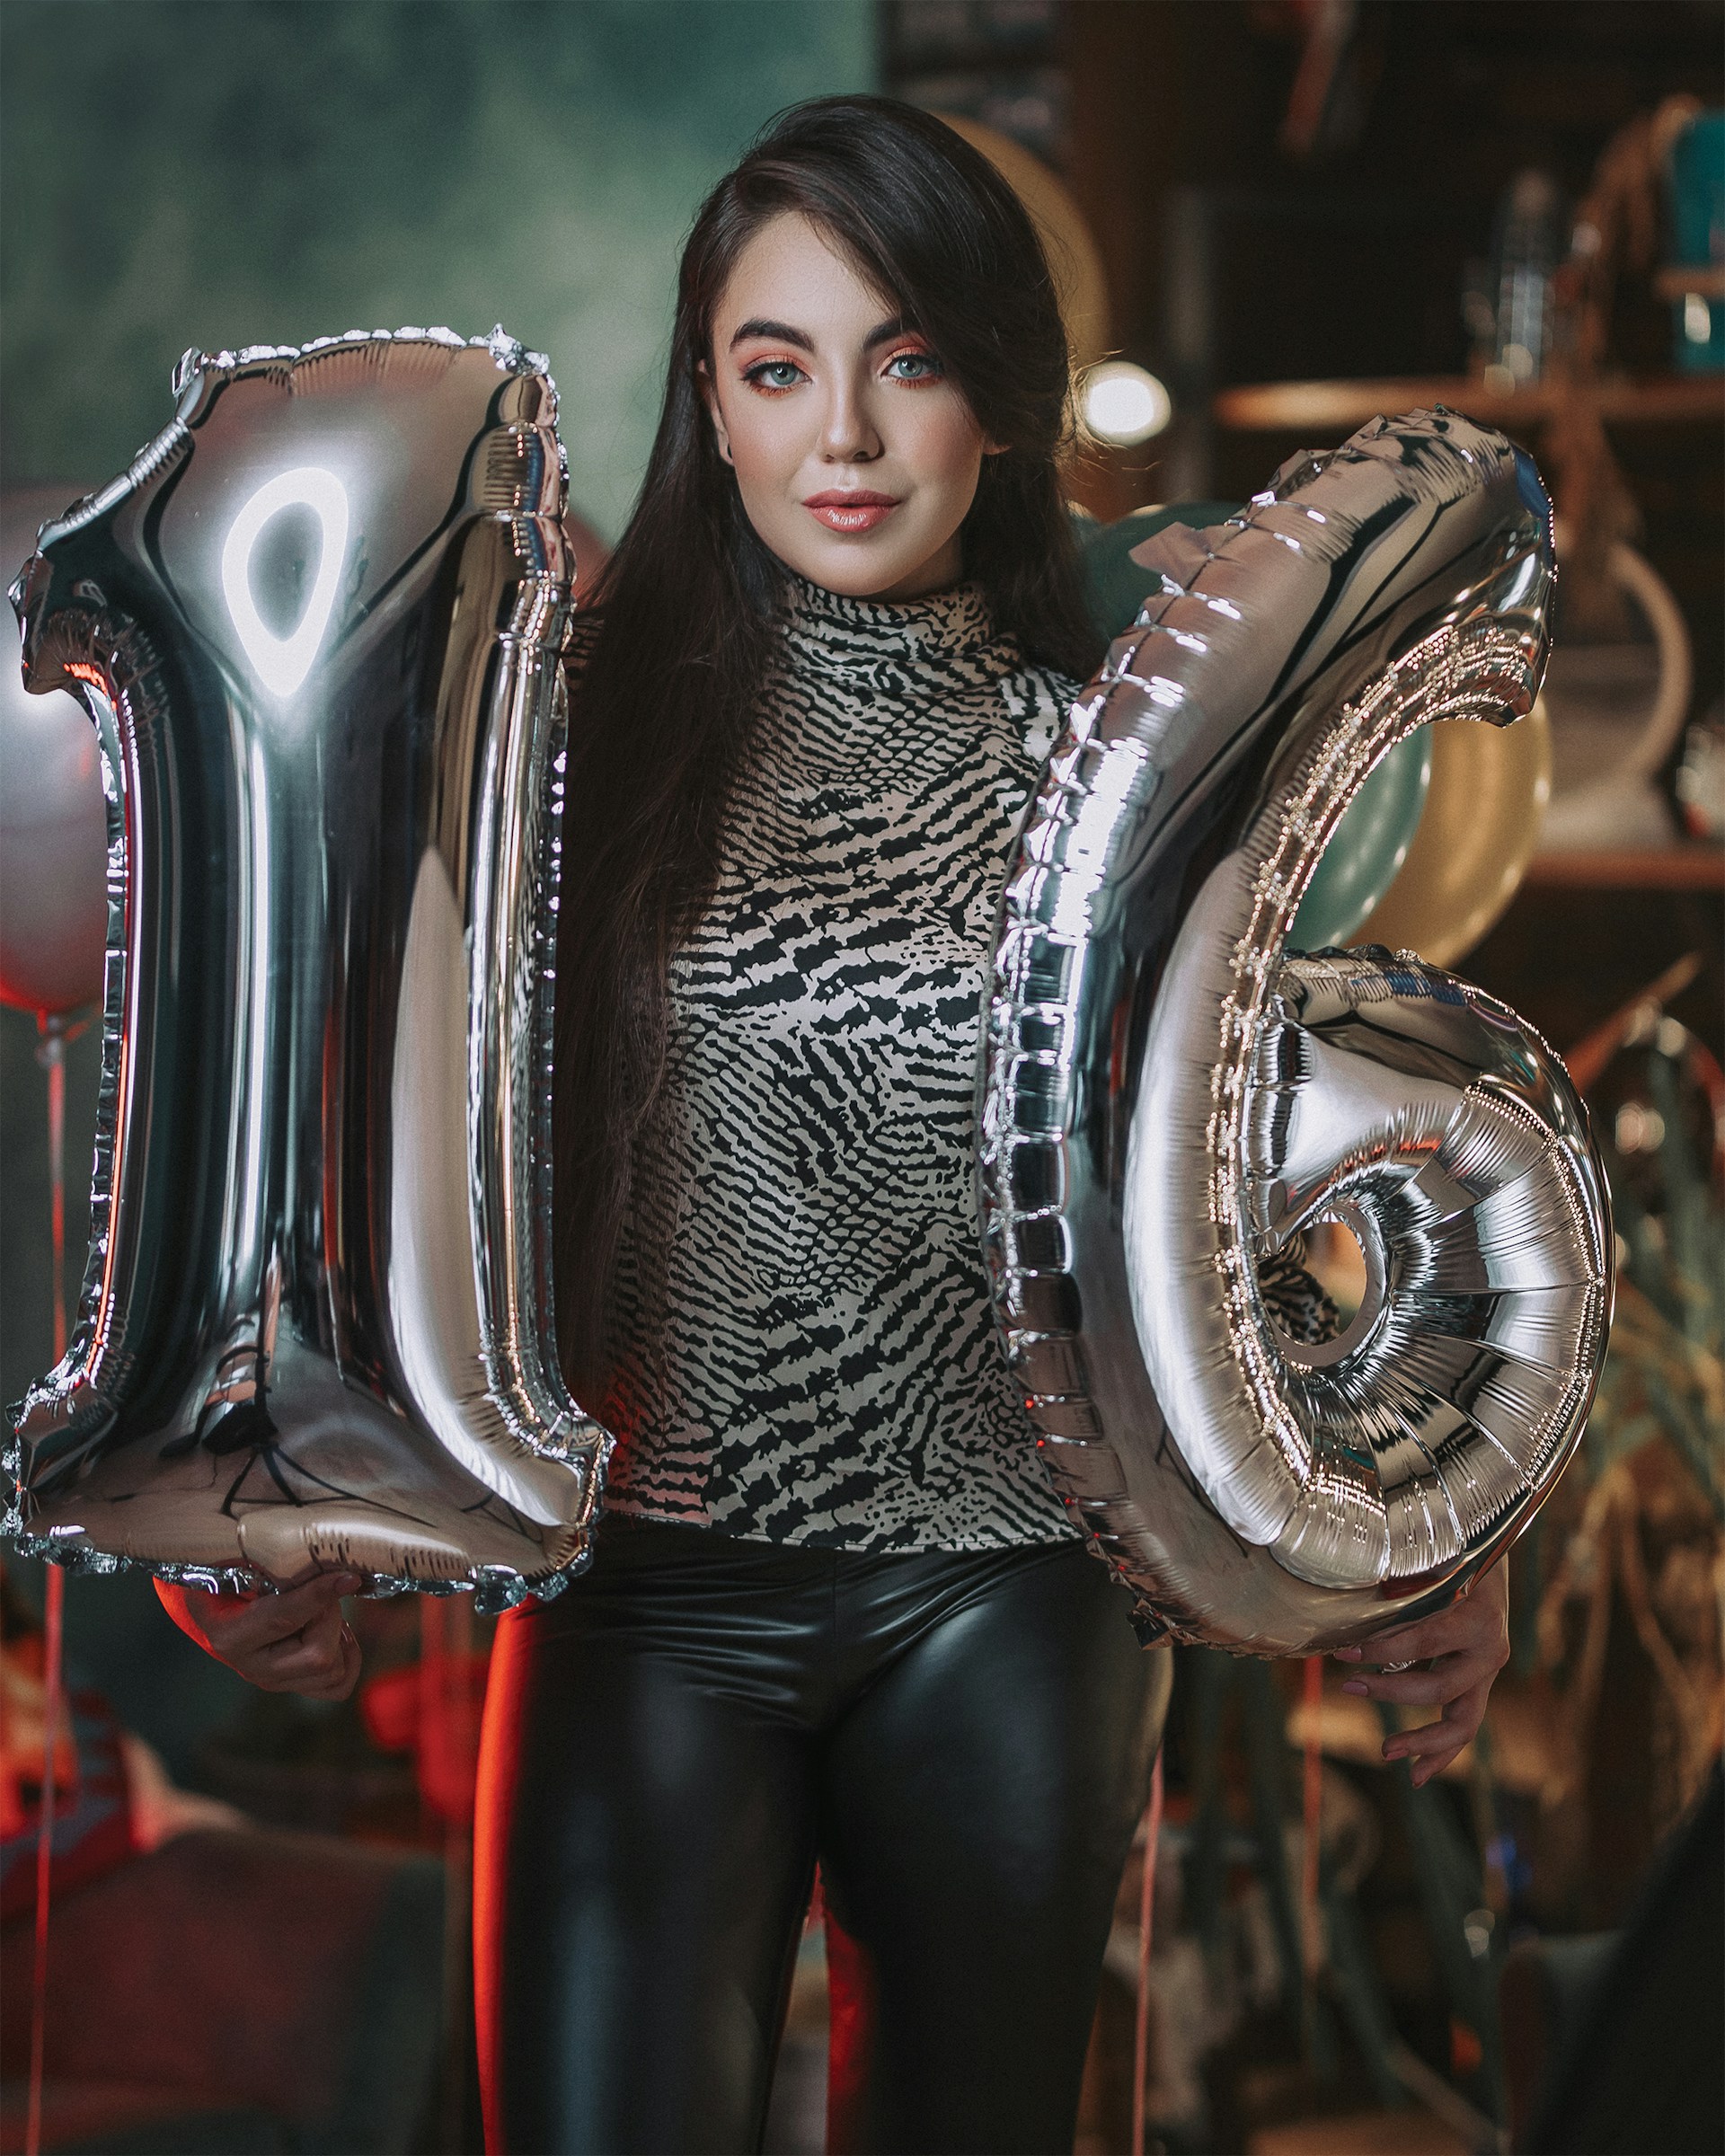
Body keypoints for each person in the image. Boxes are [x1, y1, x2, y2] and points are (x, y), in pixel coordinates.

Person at [158, 96, 1511, 2156]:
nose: (847, 439)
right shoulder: (567, 748)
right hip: (643, 1595)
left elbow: (1255, 1192)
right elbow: (382, 1149)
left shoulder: (1126, 772)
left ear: (998, 391)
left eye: (911, 360)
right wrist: (252, 1510)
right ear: (710, 398)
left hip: (1012, 1601)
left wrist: (1434, 1521)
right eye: (779, 369)